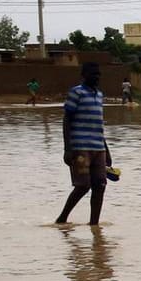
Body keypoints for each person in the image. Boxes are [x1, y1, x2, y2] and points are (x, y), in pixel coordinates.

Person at [55, 62, 112, 225]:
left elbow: (98, 124)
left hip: (98, 148)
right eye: (93, 74)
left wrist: (107, 150)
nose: (97, 77)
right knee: (83, 185)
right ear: (84, 75)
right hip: (80, 148)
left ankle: (94, 225)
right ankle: (62, 218)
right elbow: (67, 120)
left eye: (98, 74)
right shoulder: (76, 93)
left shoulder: (99, 95)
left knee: (100, 185)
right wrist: (67, 149)